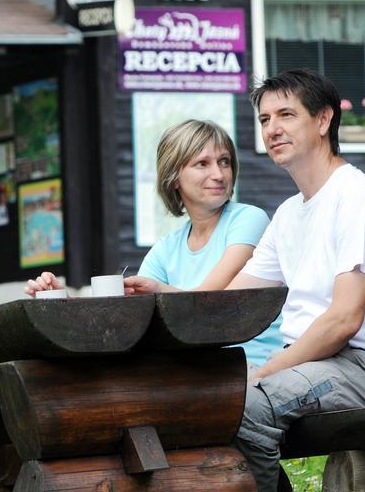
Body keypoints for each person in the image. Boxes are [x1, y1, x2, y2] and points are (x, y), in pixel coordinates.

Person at [226, 69, 365, 492]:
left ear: (324, 119)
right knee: (207, 401)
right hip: (315, 363)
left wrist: (264, 372)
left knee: (245, 404)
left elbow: (343, 319)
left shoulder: (357, 196)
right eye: (265, 118)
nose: (272, 129)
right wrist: (155, 293)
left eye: (286, 115)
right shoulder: (290, 213)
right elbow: (232, 299)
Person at [25, 119, 282, 367]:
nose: (218, 174)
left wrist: (159, 290)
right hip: (198, 370)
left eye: (224, 162)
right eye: (202, 163)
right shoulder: (165, 248)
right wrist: (64, 304)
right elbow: (127, 323)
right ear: (173, 178)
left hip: (253, 364)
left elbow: (210, 302)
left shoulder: (249, 219)